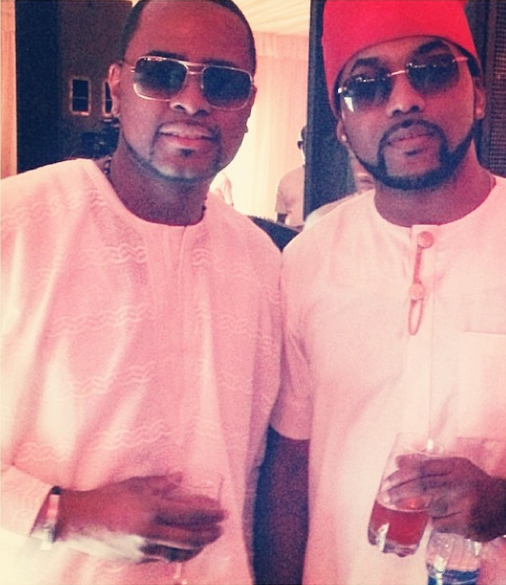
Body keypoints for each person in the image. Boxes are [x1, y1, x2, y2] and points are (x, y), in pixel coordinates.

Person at [256, 1, 506, 584]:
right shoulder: (308, 259)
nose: (403, 100)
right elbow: (289, 476)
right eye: (366, 86)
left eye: (431, 72)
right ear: (341, 126)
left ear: (478, 93)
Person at [1, 1, 281, 584]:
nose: (192, 100)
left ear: (249, 105)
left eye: (223, 82)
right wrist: (65, 515)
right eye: (161, 73)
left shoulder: (262, 263)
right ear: (116, 87)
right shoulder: (18, 223)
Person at [275, 127, 306, 229]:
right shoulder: (286, 180)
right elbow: (280, 223)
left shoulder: (336, 180)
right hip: (294, 235)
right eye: (302, 143)